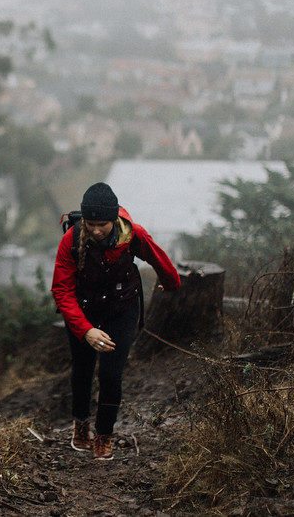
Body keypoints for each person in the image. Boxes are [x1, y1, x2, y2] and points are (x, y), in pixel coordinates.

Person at [51, 182, 181, 460]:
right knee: (82, 369)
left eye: (103, 225)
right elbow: (61, 290)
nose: (97, 230)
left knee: (111, 373)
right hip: (83, 312)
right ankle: (81, 424)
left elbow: (160, 260)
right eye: (91, 224)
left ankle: (104, 435)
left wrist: (170, 284)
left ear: (114, 220)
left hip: (122, 309)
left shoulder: (133, 235)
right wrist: (86, 331)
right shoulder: (71, 240)